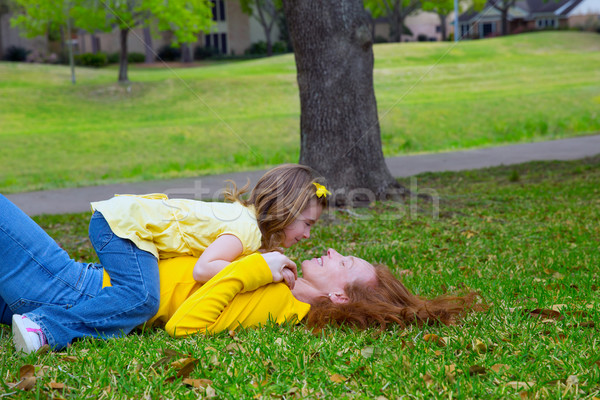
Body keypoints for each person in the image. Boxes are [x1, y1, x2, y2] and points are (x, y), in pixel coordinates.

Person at [1, 195, 481, 353]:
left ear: (338, 298)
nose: (334, 250)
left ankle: (47, 330)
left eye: (345, 263)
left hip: (71, 288)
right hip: (81, 280)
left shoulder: (280, 304)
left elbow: (186, 326)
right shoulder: (282, 275)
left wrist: (254, 269)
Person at [2, 164, 328, 352]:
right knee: (142, 296)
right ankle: (45, 328)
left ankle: (27, 317)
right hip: (125, 225)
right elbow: (205, 269)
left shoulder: (246, 227)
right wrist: (259, 269)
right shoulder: (244, 229)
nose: (309, 235)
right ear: (286, 209)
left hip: (123, 229)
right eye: (307, 223)